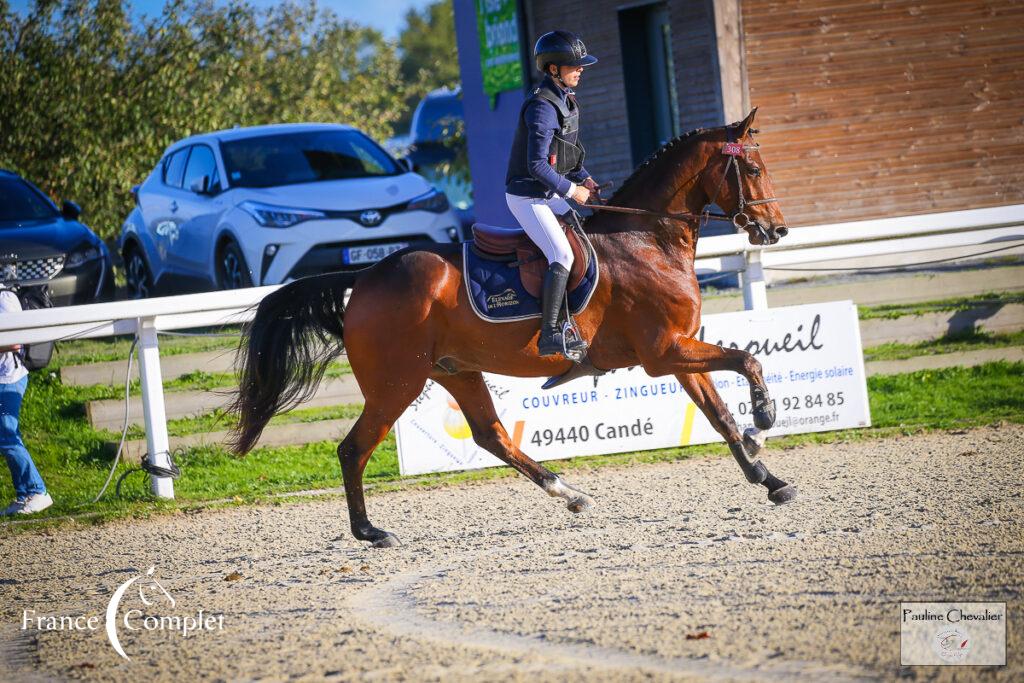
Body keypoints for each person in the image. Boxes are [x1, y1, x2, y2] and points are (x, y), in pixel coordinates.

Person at [505, 29, 601, 360]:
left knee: (587, 237)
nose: (581, 69)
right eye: (574, 65)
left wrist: (585, 180)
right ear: (552, 69)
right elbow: (536, 166)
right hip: (527, 197)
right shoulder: (542, 108)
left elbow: (568, 157)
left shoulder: (567, 102)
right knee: (562, 254)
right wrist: (571, 191)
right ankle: (549, 333)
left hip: (548, 193)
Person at [0, 266, 51, 515]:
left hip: (9, 378)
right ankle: (24, 495)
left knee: (7, 437)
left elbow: (15, 340)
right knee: (6, 436)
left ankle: (37, 491)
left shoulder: (5, 298)